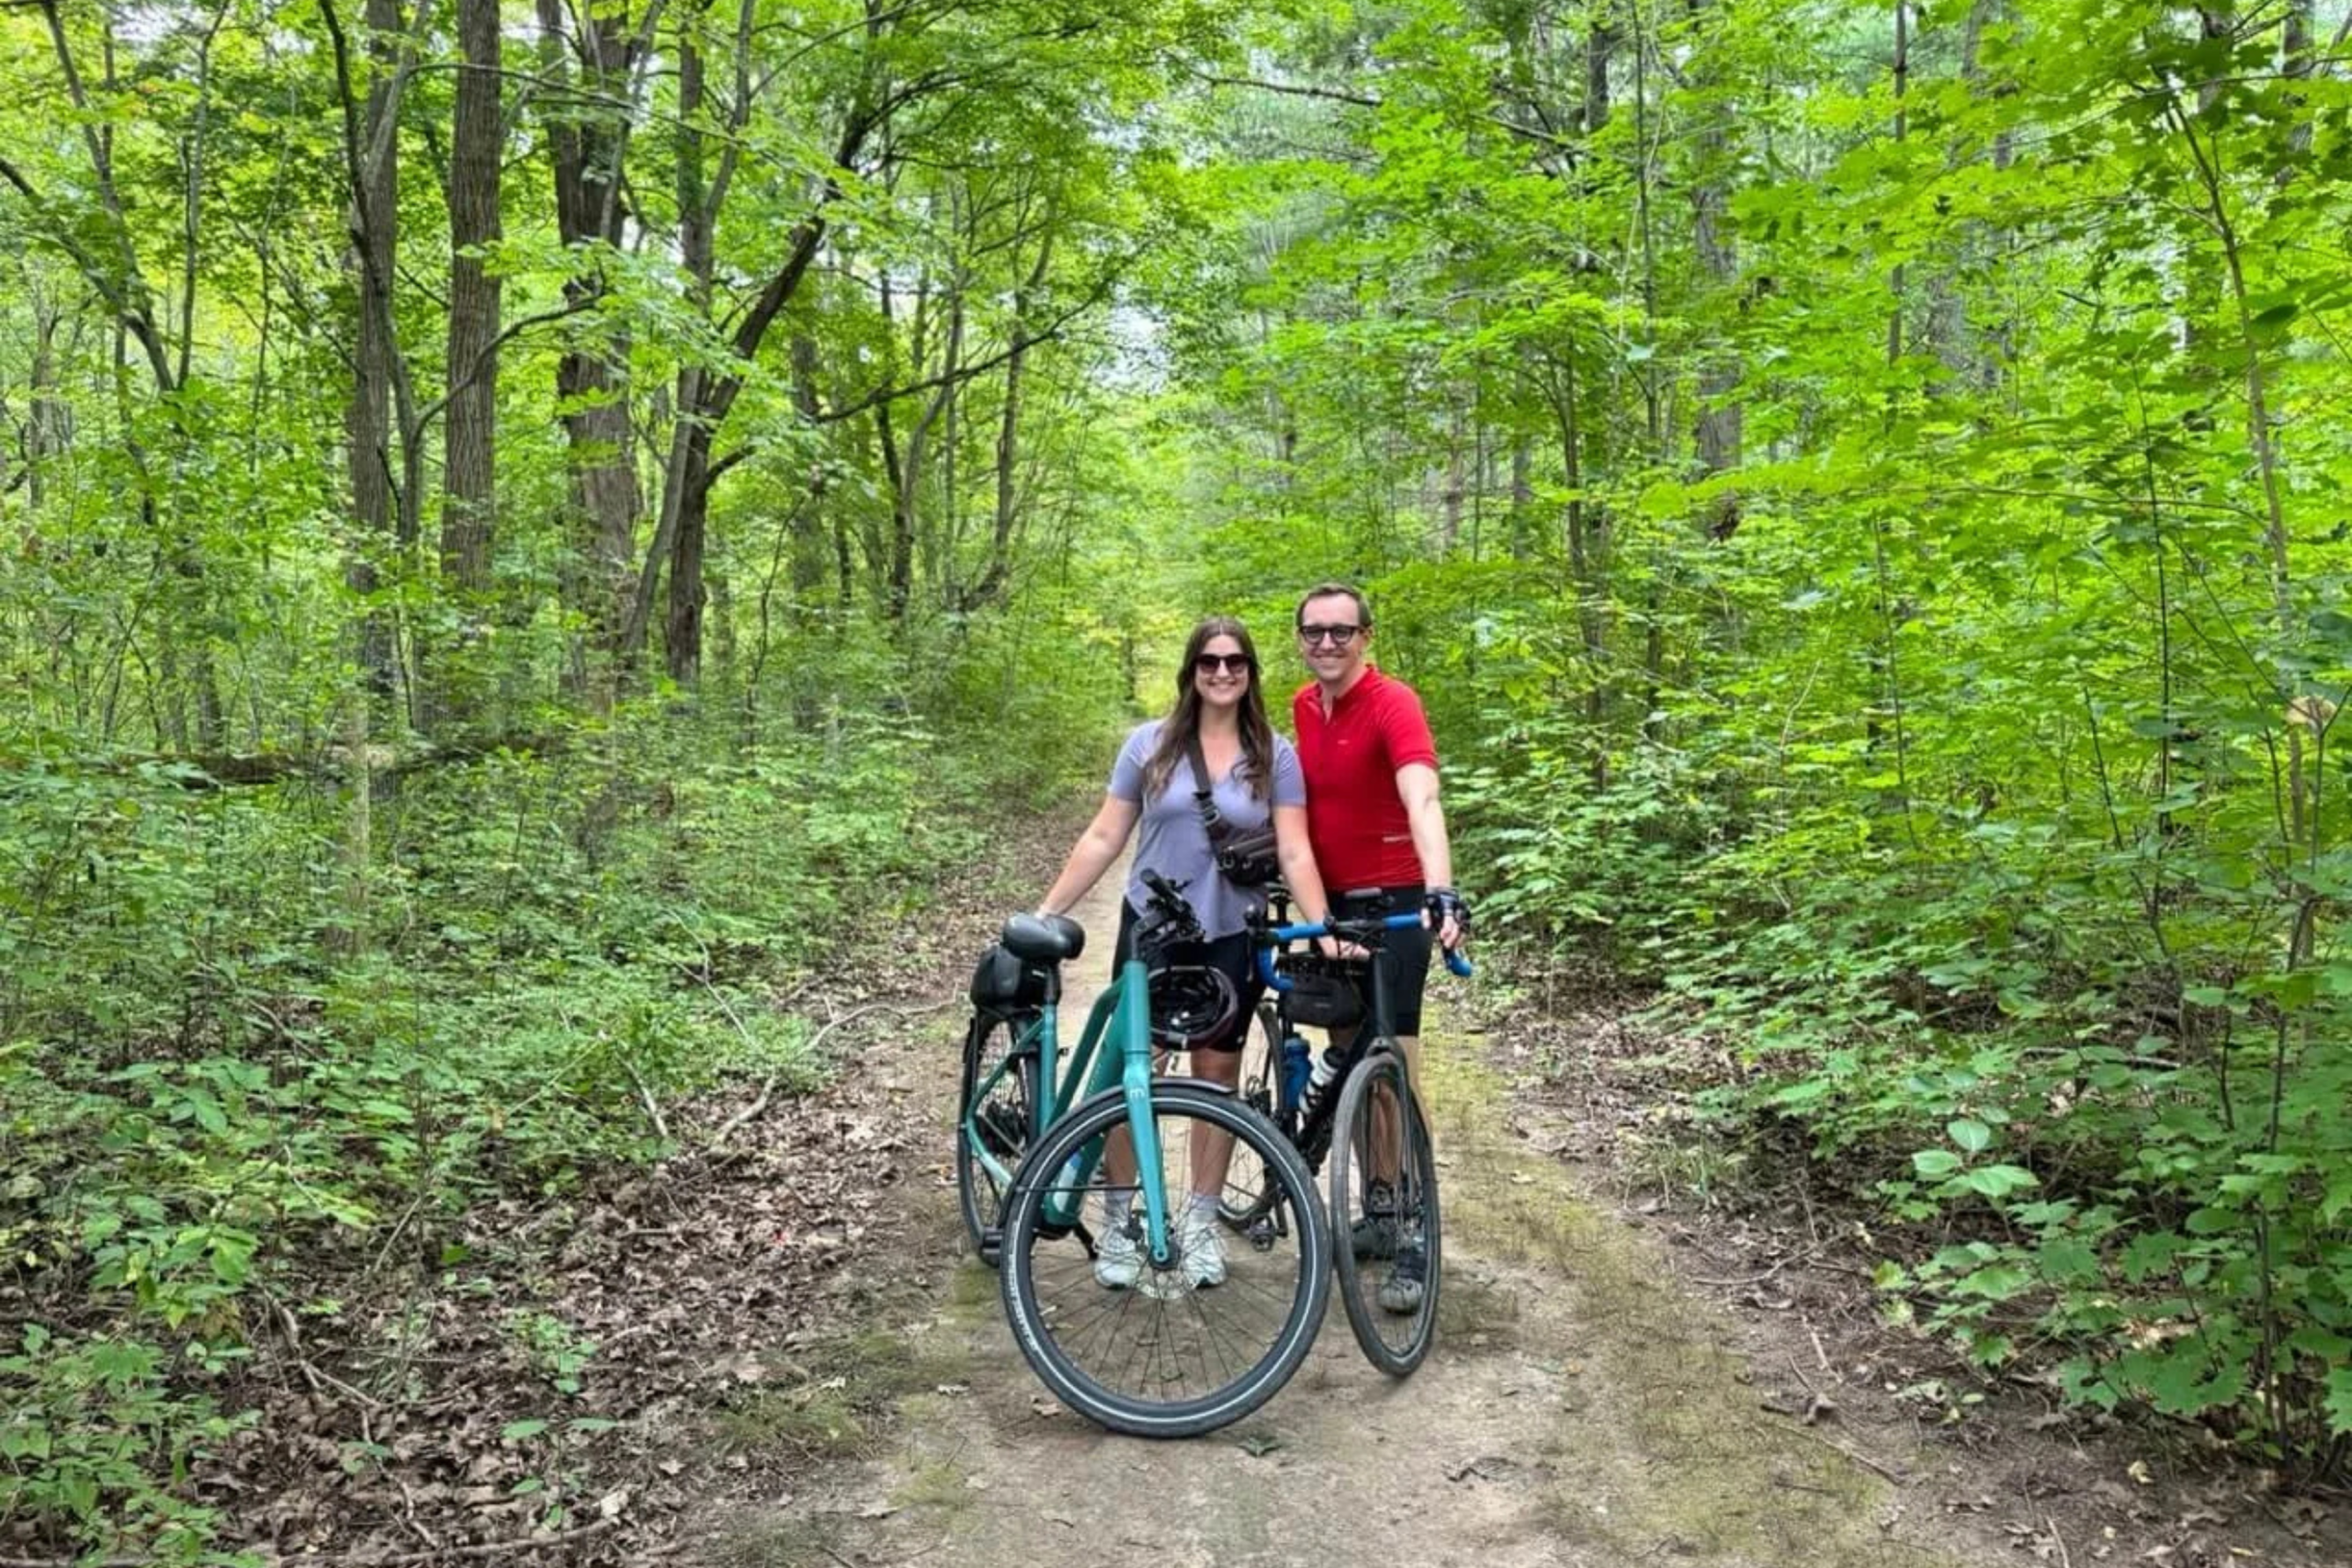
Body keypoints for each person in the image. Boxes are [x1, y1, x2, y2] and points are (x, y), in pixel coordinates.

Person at [1036, 615, 1334, 1291]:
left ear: (1251, 671)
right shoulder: (1150, 745)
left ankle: (1199, 1225)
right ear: (1191, 670)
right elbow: (1105, 835)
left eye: (1235, 662)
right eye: (1210, 661)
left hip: (1231, 932)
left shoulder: (1274, 756)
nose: (1223, 673)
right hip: (1153, 928)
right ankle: (1119, 1223)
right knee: (1130, 1077)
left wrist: (1321, 925)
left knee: (1213, 1080)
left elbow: (1294, 847)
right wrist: (1048, 909)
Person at [1289, 581, 1468, 1313]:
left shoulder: (1395, 702)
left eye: (1341, 631)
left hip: (1394, 903)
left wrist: (1440, 888)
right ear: (1300, 637)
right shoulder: (1300, 708)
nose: (1327, 643)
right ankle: (1383, 1208)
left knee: (1394, 1061)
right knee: (1349, 1057)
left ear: (1366, 635)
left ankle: (1418, 1230)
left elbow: (1421, 794)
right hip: (1330, 909)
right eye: (1314, 632)